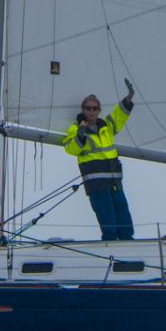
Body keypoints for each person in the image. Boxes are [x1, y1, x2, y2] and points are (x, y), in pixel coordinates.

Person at [63, 82, 136, 241]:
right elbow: (71, 149)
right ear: (83, 110)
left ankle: (128, 243)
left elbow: (118, 116)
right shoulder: (75, 128)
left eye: (94, 108)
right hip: (96, 182)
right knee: (107, 217)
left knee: (123, 213)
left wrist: (128, 98)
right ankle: (109, 243)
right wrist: (80, 134)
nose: (91, 111)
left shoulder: (106, 127)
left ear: (98, 110)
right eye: (88, 108)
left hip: (114, 180)